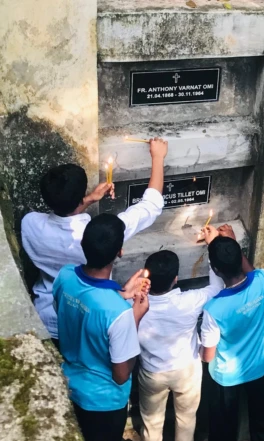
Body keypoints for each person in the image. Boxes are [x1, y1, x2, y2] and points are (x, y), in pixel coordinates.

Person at [22, 138, 168, 345]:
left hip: (46, 316)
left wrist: (88, 199)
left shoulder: (29, 224)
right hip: (85, 322)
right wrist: (158, 157)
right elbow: (150, 206)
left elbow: (62, 216)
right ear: (118, 251)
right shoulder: (97, 234)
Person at [53, 213, 151, 441]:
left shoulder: (65, 276)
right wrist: (135, 318)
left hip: (69, 385)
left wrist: (120, 294)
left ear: (83, 244)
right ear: (120, 252)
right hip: (104, 402)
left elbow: (74, 312)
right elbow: (121, 375)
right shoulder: (121, 314)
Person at [136, 246, 225, 441]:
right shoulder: (190, 301)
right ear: (175, 279)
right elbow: (218, 288)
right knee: (186, 420)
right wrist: (213, 248)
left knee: (151, 424)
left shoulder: (133, 306)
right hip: (186, 370)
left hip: (152, 372)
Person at [200, 224, 264, 441]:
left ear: (215, 271)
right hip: (260, 364)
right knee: (261, 415)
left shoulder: (214, 309)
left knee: (223, 428)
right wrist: (231, 245)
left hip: (227, 376)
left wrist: (215, 248)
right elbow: (252, 272)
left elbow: (208, 356)